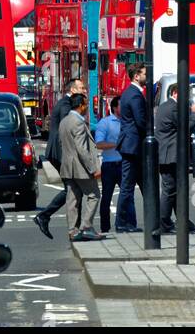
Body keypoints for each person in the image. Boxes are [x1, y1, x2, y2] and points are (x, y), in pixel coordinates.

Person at [34, 77, 84, 240]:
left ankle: (73, 226)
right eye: (81, 87)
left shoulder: (66, 103)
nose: (84, 90)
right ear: (73, 90)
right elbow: (66, 127)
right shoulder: (65, 105)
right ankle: (48, 217)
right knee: (73, 188)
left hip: (58, 152)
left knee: (74, 188)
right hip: (60, 152)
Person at [155, 83, 195, 234]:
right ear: (175, 93)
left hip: (169, 154)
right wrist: (194, 113)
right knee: (169, 190)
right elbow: (185, 126)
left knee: (176, 189)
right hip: (170, 155)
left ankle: (182, 220)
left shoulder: (164, 106)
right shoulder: (173, 108)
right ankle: (164, 222)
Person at [58, 91, 102, 242]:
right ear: (81, 106)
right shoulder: (78, 122)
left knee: (73, 199)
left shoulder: (64, 121)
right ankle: (86, 227)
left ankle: (73, 230)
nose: (86, 107)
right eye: (85, 104)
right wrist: (93, 168)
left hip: (67, 167)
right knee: (94, 195)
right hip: (80, 167)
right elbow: (81, 149)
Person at [115, 63, 148, 233]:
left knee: (146, 185)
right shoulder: (134, 95)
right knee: (127, 187)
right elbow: (140, 120)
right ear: (136, 76)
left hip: (132, 146)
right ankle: (121, 223)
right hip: (133, 146)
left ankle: (154, 219)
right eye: (144, 74)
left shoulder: (130, 93)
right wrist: (151, 133)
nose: (146, 77)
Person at [94, 96, 122, 234]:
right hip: (109, 165)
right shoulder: (105, 123)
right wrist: (117, 145)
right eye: (122, 106)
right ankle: (105, 228)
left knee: (127, 196)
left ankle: (126, 223)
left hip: (124, 164)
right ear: (116, 107)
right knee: (106, 197)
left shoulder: (127, 122)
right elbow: (99, 144)